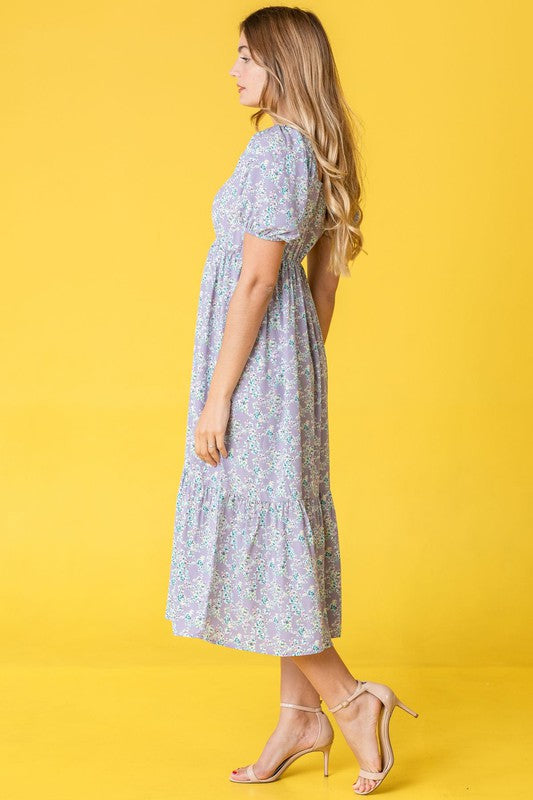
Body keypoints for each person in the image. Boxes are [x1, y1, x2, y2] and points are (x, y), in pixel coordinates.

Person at [165, 6, 418, 795]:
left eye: (245, 55)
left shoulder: (277, 150)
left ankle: (348, 700)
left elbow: (257, 278)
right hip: (288, 370)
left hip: (254, 371)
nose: (234, 70)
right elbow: (324, 287)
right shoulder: (319, 151)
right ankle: (296, 718)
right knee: (283, 533)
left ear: (280, 63)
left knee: (264, 539)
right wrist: (294, 373)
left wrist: (221, 397)